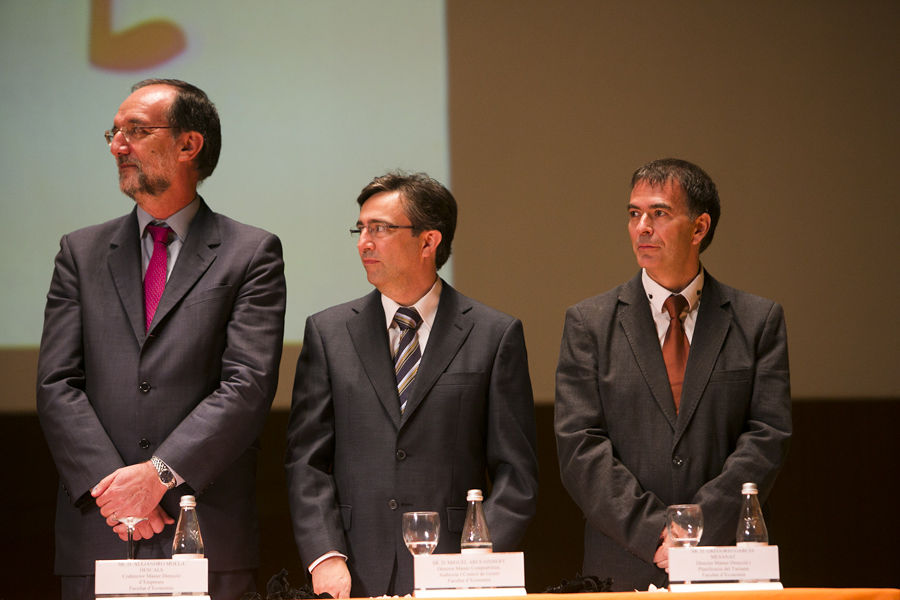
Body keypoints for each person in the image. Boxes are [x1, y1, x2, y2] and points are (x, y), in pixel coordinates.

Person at [36, 79, 286, 600]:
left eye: (135, 131)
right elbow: (57, 383)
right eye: (114, 131)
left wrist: (158, 476)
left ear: (188, 145)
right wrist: (118, 490)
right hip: (100, 527)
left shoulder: (251, 253)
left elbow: (247, 385)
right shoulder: (79, 253)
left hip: (205, 527)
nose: (116, 146)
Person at [286, 171, 538, 598]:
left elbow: (517, 474)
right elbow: (307, 462)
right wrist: (325, 554)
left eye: (380, 229)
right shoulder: (327, 333)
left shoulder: (493, 335)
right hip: (353, 572)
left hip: (456, 572)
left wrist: (475, 559)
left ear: (428, 242)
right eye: (360, 228)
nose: (364, 242)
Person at [554, 158, 791, 591]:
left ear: (699, 228)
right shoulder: (589, 322)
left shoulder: (758, 321)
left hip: (727, 560)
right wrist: (656, 534)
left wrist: (694, 529)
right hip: (625, 562)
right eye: (633, 214)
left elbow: (767, 437)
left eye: (658, 213)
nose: (642, 227)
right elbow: (579, 447)